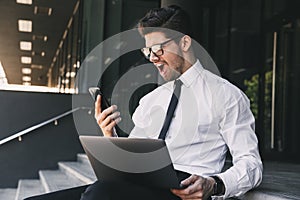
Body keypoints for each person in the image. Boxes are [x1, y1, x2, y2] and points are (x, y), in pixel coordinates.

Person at [26, 5, 262, 200]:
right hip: (138, 187)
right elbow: (133, 160)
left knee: (101, 193)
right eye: (147, 51)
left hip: (184, 192)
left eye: (159, 49)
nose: (153, 59)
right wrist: (110, 136)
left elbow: (251, 163)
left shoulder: (227, 95)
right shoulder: (150, 100)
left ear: (185, 43)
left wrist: (215, 184)